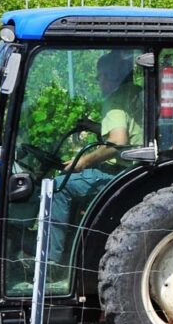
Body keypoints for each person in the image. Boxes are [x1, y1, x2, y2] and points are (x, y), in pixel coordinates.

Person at [47, 51, 143, 274]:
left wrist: (83, 161)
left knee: (58, 188)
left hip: (121, 173)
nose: (98, 81)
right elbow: (132, 130)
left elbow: (118, 141)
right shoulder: (137, 93)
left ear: (111, 75)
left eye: (100, 76)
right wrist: (93, 126)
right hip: (139, 169)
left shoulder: (115, 101)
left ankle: (51, 265)